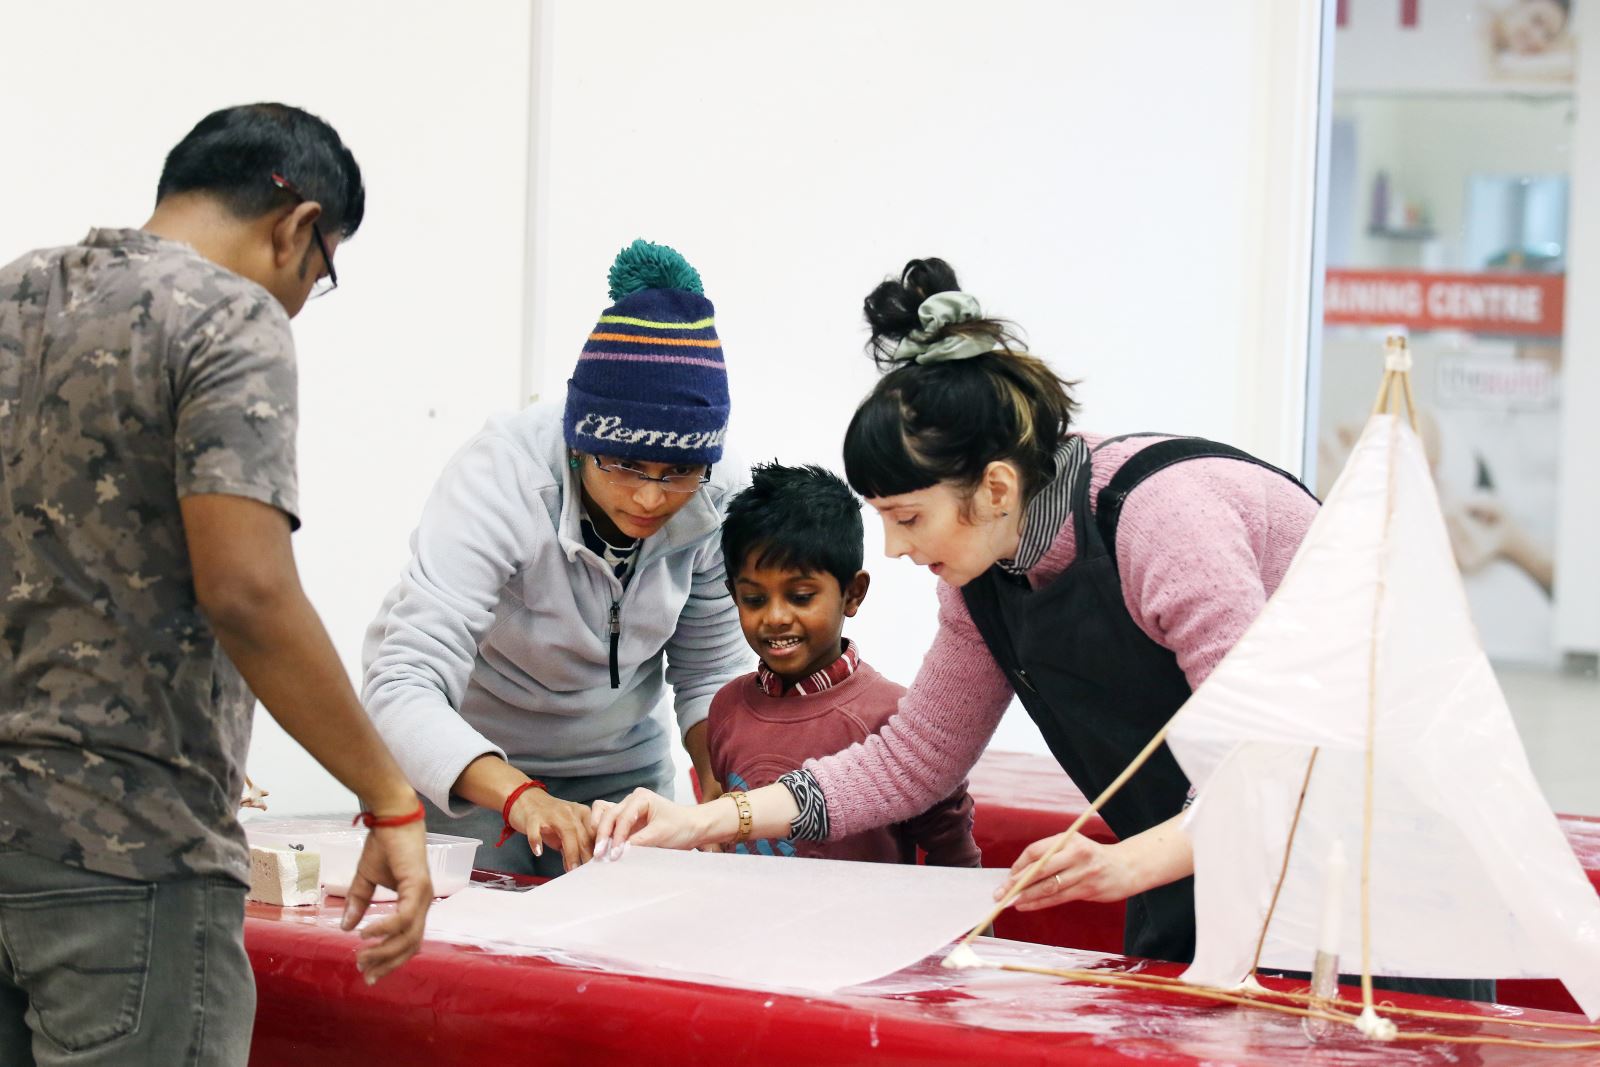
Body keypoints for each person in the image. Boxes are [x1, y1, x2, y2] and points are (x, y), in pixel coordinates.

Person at [0, 103, 432, 1066]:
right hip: (130, 856)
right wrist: (387, 794)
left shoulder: (15, 292)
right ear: (295, 227)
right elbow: (248, 590)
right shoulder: (227, 317)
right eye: (320, 276)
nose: (298, 300)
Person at [363, 240, 750, 876]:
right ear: (579, 442)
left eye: (679, 472)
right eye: (624, 465)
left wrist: (719, 797)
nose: (652, 496)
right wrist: (519, 797)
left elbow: (709, 672)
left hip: (622, 772)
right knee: (475, 956)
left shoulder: (716, 493)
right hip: (467, 771)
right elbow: (403, 683)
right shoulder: (501, 477)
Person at [706, 462, 979, 866]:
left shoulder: (899, 721)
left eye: (800, 596)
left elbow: (953, 854)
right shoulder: (726, 708)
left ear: (853, 593)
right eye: (755, 599)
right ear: (733, 595)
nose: (776, 617)